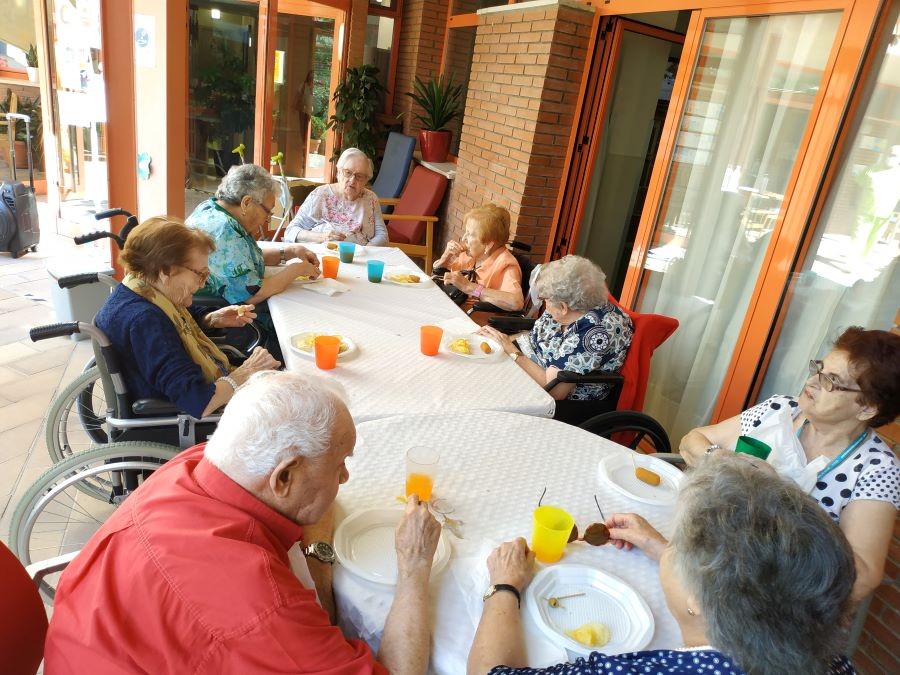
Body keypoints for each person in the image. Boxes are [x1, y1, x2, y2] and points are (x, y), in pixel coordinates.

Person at [45, 371, 442, 675]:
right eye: (339, 464)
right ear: (284, 477)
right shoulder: (260, 608)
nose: (345, 477)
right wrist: (414, 566)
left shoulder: (202, 464)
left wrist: (317, 555)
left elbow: (312, 515)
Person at [468, 453, 857, 675]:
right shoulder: (828, 658)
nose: (672, 547)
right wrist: (661, 547)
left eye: (679, 543)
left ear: (698, 601)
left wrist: (503, 586)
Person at [680, 327, 899, 601]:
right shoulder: (780, 410)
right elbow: (692, 440)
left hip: (768, 592)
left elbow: (862, 575)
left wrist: (773, 494)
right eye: (818, 369)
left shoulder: (877, 468)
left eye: (831, 381)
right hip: (702, 542)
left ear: (867, 408)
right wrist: (721, 460)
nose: (812, 382)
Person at [95, 216, 280, 419]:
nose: (203, 283)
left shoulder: (141, 287)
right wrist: (248, 371)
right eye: (200, 274)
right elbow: (200, 401)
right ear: (166, 270)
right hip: (181, 420)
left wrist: (211, 318)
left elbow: (172, 322)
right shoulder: (145, 321)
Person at [186, 163, 320, 334]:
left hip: (223, 307)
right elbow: (253, 293)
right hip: (229, 316)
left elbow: (241, 259)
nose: (268, 219)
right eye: (267, 211)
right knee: (305, 317)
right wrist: (297, 269)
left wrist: (289, 252)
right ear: (246, 202)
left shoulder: (214, 208)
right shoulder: (223, 230)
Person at [479, 255, 633, 401]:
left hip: (546, 393)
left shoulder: (593, 334)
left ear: (563, 307)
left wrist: (510, 349)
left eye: (545, 300)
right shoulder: (570, 306)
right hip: (522, 361)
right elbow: (533, 335)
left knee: (482, 391)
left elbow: (554, 389)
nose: (544, 304)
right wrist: (500, 340)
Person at [284, 147, 389, 246]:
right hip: (320, 254)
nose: (352, 180)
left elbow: (382, 235)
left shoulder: (370, 198)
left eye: (359, 176)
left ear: (366, 180)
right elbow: (290, 231)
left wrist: (365, 250)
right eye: (348, 173)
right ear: (338, 173)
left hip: (358, 255)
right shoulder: (320, 195)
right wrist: (322, 237)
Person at [433, 203, 524, 311]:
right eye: (466, 232)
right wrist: (446, 256)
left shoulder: (505, 264)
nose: (464, 238)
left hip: (472, 318)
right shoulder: (470, 254)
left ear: (489, 243)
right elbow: (438, 279)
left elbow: (516, 302)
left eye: (470, 234)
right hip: (448, 307)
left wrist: (469, 287)